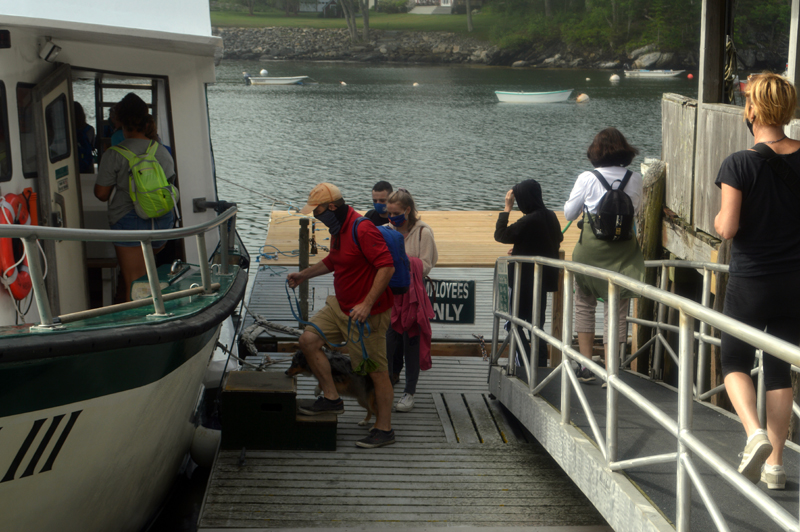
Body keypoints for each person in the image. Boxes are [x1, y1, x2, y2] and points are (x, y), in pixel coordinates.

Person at [714, 72, 800, 490]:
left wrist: (718, 217)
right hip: (796, 281)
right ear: (787, 111)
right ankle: (776, 468)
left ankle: (753, 435)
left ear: (751, 110)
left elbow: (727, 228)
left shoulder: (739, 162)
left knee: (733, 361)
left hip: (752, 279)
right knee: (779, 368)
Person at [287, 183, 397, 448]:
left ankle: (384, 429)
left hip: (366, 315)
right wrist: (304, 274)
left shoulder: (363, 228)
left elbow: (387, 267)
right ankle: (331, 397)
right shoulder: (337, 229)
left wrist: (367, 304)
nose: (316, 215)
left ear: (332, 207)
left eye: (318, 210)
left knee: (376, 372)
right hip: (341, 307)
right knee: (308, 341)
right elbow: (334, 261)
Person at [564, 127, 644, 385]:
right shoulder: (636, 179)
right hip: (623, 252)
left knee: (585, 303)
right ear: (625, 150)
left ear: (595, 151)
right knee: (617, 309)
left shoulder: (587, 178)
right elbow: (638, 211)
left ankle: (586, 367)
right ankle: (612, 372)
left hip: (589, 251)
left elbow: (568, 214)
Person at [94, 93, 175, 303]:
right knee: (145, 272)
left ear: (120, 120)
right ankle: (150, 308)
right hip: (161, 220)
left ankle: (137, 326)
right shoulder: (162, 151)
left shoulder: (114, 154)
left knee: (134, 279)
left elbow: (101, 194)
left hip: (128, 219)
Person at [494, 180, 563, 375]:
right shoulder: (550, 216)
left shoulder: (528, 220)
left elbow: (500, 235)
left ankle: (523, 365)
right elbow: (555, 239)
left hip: (522, 281)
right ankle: (539, 366)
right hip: (542, 282)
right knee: (536, 326)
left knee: (512, 323)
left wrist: (506, 209)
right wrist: (520, 249)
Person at [384, 188, 438, 412]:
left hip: (413, 295)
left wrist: (402, 261)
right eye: (388, 213)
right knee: (388, 343)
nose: (391, 218)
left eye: (395, 213)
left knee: (411, 344)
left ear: (407, 210)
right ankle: (384, 386)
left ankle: (409, 392)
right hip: (389, 296)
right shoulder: (386, 230)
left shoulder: (423, 232)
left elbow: (426, 265)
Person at [74, 102, 96, 174]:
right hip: (87, 164)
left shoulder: (68, 131)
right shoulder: (90, 129)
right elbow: (92, 146)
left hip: (73, 164)